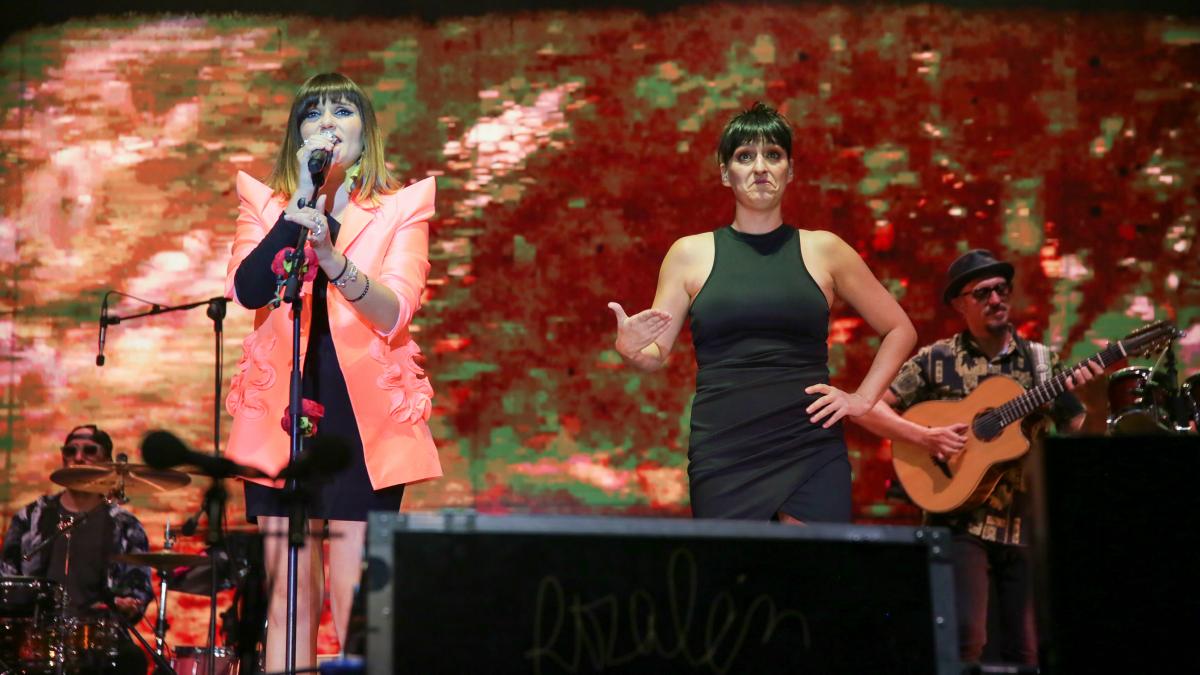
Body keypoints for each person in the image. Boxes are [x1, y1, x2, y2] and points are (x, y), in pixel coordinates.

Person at [607, 102, 916, 523]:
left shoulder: (824, 249)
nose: (760, 168)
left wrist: (863, 399)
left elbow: (900, 328)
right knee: (734, 583)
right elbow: (654, 355)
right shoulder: (688, 254)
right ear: (724, 173)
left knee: (816, 582)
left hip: (809, 443)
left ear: (790, 171)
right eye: (744, 156)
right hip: (725, 447)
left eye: (773, 155)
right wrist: (630, 349)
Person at [223, 72, 440, 668]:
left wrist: (335, 260)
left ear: (364, 134)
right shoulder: (265, 202)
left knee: (355, 603)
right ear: (296, 137)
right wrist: (297, 211)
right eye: (312, 114)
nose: (326, 123)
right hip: (281, 410)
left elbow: (395, 311)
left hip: (361, 419)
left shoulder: (401, 208)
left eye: (342, 112)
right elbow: (247, 289)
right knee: (288, 603)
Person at [851, 249, 1104, 666]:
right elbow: (868, 405)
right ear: (959, 304)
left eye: (1002, 290)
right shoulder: (936, 360)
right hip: (959, 520)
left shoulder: (1042, 363)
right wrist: (924, 436)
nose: (996, 299)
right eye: (983, 292)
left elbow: (1081, 436)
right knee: (967, 639)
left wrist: (1090, 399)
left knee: (1028, 651)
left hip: (1024, 525)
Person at [1, 424, 153, 673]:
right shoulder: (30, 517)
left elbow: (139, 588)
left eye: (89, 451)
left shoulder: (126, 526)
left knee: (131, 660)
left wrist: (129, 603)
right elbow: (6, 579)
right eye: (70, 451)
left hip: (98, 640)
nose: (78, 457)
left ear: (107, 462)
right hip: (35, 638)